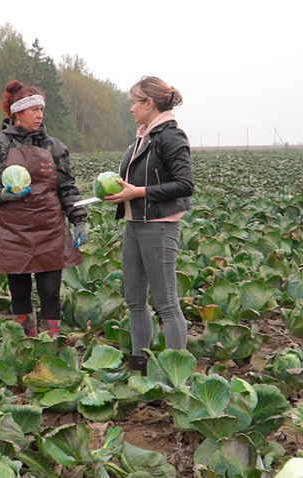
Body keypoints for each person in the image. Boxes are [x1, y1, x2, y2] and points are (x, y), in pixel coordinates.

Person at [0, 80, 88, 337]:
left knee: (50, 294)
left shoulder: (54, 147)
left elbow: (67, 187)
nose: (40, 115)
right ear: (17, 114)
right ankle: (26, 341)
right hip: (10, 229)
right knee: (20, 293)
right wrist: (1, 193)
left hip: (49, 227)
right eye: (34, 110)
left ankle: (50, 344)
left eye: (41, 110)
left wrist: (79, 220)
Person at [104, 76, 195, 375]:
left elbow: (185, 184)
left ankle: (176, 377)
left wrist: (137, 193)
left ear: (149, 103)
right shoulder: (143, 136)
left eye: (134, 102)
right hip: (134, 224)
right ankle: (139, 371)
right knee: (134, 301)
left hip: (159, 226)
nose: (130, 108)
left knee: (166, 304)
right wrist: (121, 194)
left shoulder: (171, 136)